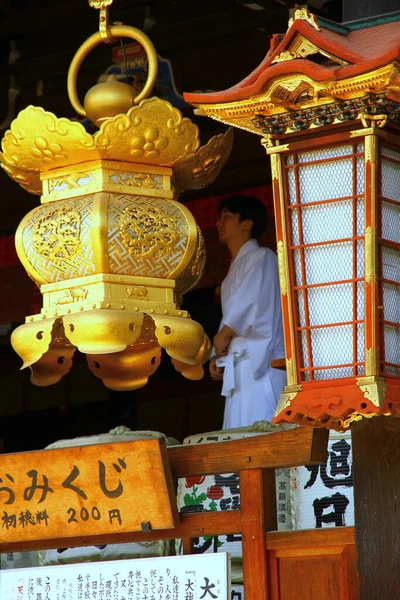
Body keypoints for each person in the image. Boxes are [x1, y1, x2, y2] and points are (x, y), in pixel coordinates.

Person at [209, 194, 286, 428]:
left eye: (227, 217)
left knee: (261, 428)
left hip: (261, 364)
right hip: (240, 364)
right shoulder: (235, 268)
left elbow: (252, 302)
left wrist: (223, 335)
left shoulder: (263, 256)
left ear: (247, 224)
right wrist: (218, 354)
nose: (219, 222)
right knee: (239, 432)